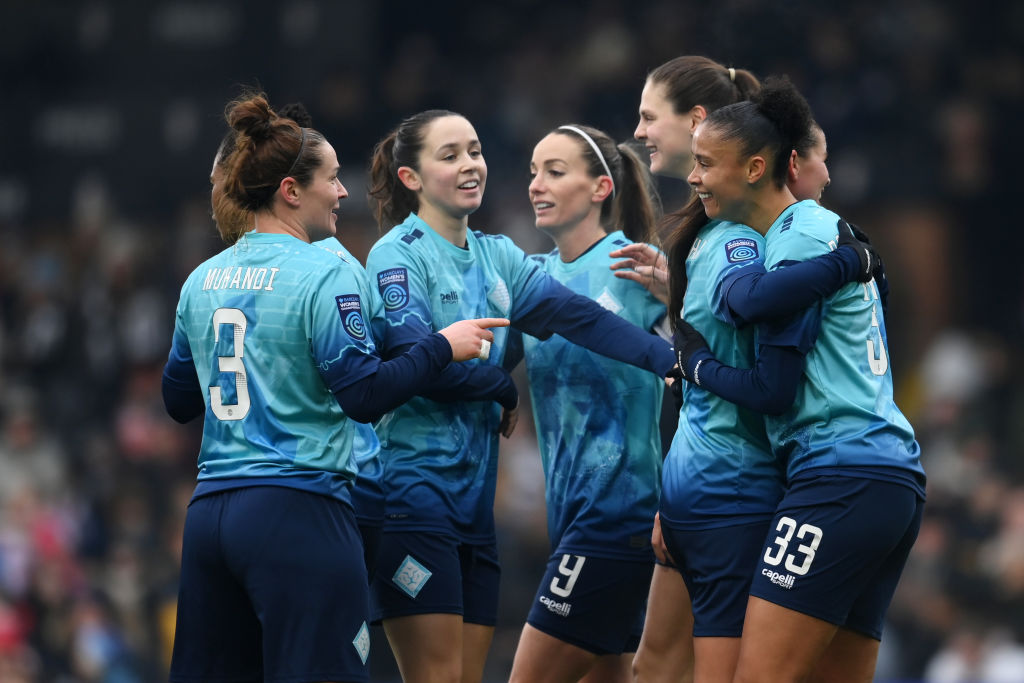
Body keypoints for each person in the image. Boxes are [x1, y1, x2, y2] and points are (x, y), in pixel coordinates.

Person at [161, 93, 508, 683]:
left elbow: (178, 400)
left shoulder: (203, 276)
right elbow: (363, 395)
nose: (344, 191)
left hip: (211, 514)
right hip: (299, 510)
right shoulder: (327, 269)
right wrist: (441, 347)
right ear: (291, 191)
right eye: (331, 178)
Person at [363, 109, 677, 683]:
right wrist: (499, 386)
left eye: (475, 151)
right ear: (410, 177)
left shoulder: (512, 258)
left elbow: (579, 318)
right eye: (449, 155)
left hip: (514, 514)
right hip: (416, 500)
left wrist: (674, 355)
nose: (470, 165)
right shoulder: (399, 256)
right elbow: (421, 363)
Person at [610, 57, 880, 683]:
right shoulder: (711, 233)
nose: (642, 131)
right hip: (707, 485)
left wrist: (851, 260)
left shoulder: (755, 238)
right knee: (654, 666)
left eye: (650, 116)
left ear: (699, 123)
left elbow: (759, 352)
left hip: (748, 484)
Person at [670, 77, 926, 683]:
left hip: (839, 477)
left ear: (756, 168)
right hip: (885, 476)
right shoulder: (815, 231)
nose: (694, 176)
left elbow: (757, 322)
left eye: (705, 163)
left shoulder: (798, 234)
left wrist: (697, 365)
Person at [501, 124, 665, 683]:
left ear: (600, 188)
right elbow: (488, 367)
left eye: (555, 171)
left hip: (620, 514)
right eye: (531, 172)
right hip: (569, 519)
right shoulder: (533, 279)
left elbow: (700, 372)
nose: (536, 185)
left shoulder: (638, 267)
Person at [208, 100, 387, 578]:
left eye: (215, 185)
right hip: (293, 494)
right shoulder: (234, 272)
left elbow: (366, 383)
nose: (214, 199)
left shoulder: (328, 266)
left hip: (332, 488)